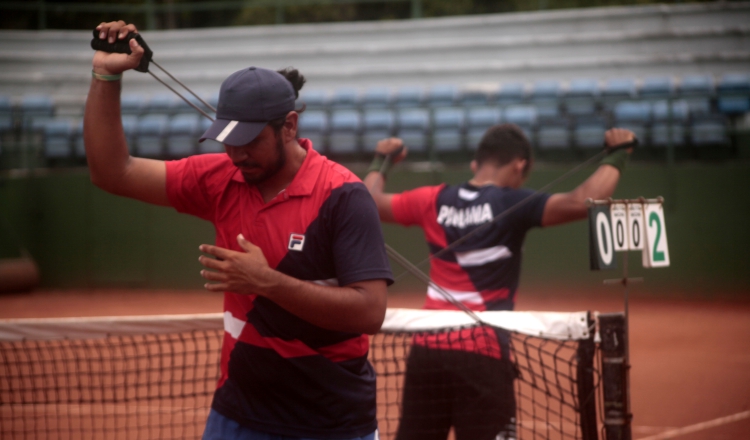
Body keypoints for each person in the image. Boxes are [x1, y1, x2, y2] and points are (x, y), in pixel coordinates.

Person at [86, 20, 393, 440]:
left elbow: (370, 312)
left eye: (248, 141)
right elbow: (112, 172)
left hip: (332, 423)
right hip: (237, 417)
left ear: (288, 126)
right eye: (227, 140)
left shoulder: (343, 195)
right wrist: (106, 74)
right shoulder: (221, 177)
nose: (236, 154)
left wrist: (268, 282)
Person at [363, 124, 634, 440]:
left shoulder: (432, 198)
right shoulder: (511, 202)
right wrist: (619, 154)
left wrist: (381, 160)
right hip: (484, 354)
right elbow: (584, 201)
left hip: (426, 349)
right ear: (519, 165)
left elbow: (368, 200)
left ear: (476, 164)